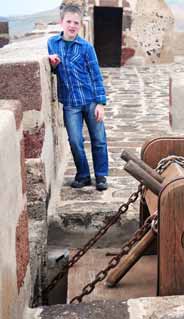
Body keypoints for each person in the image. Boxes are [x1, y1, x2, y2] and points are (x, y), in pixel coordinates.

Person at [47, 3, 109, 191]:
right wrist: (53, 64)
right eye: (69, 22)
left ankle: (100, 176)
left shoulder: (86, 47)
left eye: (76, 22)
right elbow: (54, 69)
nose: (72, 25)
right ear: (61, 22)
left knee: (98, 139)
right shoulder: (52, 44)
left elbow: (96, 74)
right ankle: (83, 174)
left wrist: (100, 103)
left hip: (90, 100)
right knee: (75, 140)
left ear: (81, 25)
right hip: (70, 104)